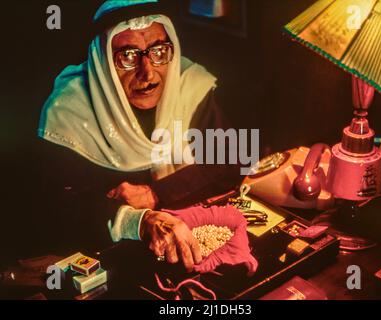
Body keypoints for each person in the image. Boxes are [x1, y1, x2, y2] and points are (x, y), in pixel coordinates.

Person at [37, 0, 241, 271]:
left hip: (187, 251)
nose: (147, 72)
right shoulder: (67, 114)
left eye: (158, 51)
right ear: (103, 63)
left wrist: (156, 193)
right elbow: (60, 215)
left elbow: (229, 161)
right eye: (128, 56)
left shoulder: (191, 87)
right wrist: (139, 221)